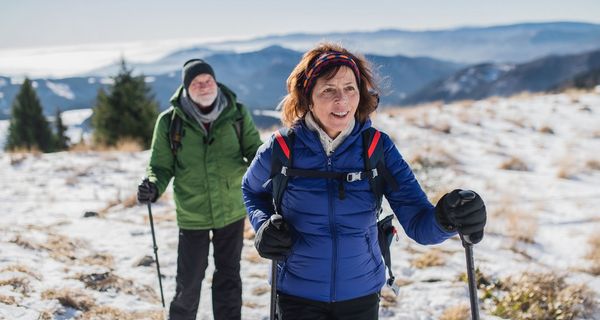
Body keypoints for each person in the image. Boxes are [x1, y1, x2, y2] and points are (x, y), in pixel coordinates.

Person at [241, 43, 486, 320]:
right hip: (296, 294)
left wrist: (448, 218)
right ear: (309, 98)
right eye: (328, 90)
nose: (341, 101)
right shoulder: (282, 148)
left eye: (350, 88)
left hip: (360, 295)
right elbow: (251, 190)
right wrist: (263, 226)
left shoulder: (377, 149)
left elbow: (419, 224)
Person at [137, 58, 262, 320]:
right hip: (193, 212)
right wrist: (153, 185)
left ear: (215, 82)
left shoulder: (237, 113)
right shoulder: (170, 122)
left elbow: (254, 153)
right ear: (186, 88)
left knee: (229, 277)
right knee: (189, 281)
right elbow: (160, 166)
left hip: (231, 209)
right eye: (196, 82)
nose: (204, 86)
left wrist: (272, 174)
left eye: (208, 80)